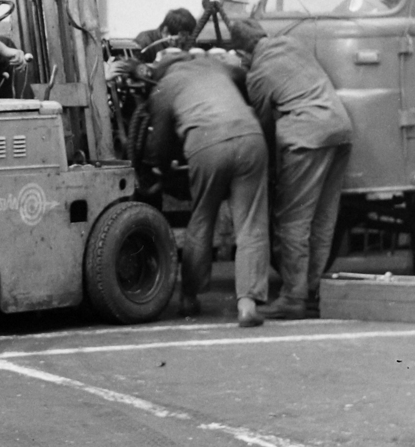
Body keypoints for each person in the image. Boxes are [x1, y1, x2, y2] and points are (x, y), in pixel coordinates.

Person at [231, 18, 354, 320]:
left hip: (306, 136)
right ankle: (310, 291)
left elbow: (263, 127)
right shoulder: (291, 44)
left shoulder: (257, 73)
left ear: (243, 54)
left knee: (293, 221)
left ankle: (292, 297)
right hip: (340, 129)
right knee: (323, 219)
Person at [146, 50, 269, 328]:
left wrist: (161, 170)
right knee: (251, 223)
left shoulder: (164, 87)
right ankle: (247, 304)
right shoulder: (214, 65)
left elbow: (160, 143)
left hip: (207, 144)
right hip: (250, 137)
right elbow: (244, 78)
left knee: (202, 217)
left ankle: (189, 297)